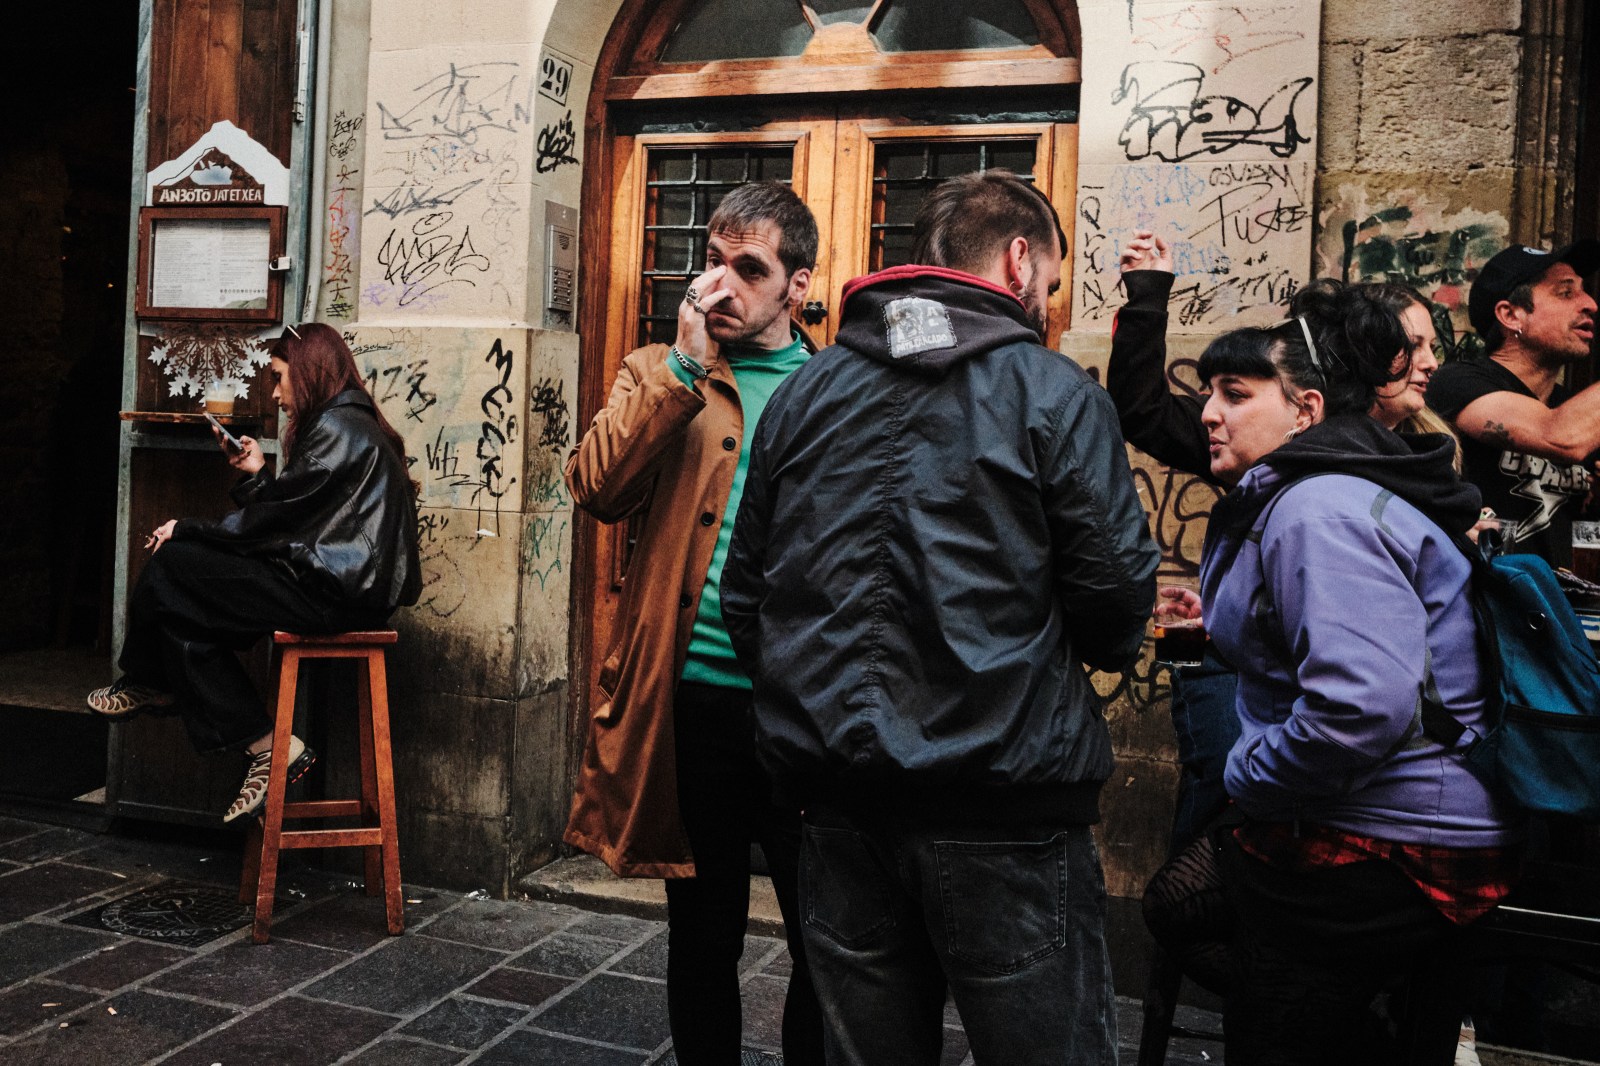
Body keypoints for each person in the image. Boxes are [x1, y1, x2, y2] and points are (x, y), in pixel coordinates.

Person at [721, 170, 1159, 1065]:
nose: (1046, 300)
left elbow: (746, 596)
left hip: (839, 792)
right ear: (1018, 258)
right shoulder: (1055, 392)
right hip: (1004, 803)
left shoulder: (807, 392)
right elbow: (1116, 606)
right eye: (1050, 282)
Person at [1159, 286, 1521, 1065]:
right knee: (1179, 903)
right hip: (1383, 811)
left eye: (1235, 394)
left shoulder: (1317, 507)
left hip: (1401, 838)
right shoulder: (1318, 493)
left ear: (1307, 410)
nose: (1209, 415)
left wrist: (1247, 772)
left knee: (1268, 1018)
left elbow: (1362, 708)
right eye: (1209, 395)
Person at [562, 181, 823, 1066]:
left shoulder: (835, 388)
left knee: (825, 943)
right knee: (704, 936)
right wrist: (679, 366)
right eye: (713, 262)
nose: (722, 285)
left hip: (805, 710)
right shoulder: (658, 370)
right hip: (696, 701)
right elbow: (596, 489)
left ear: (798, 284)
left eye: (749, 268)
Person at [87, 323, 421, 823]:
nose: (275, 393)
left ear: (307, 375)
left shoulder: (338, 430)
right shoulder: (347, 424)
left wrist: (188, 529)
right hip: (330, 586)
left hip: (332, 595)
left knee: (172, 563)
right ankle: (269, 746)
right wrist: (258, 476)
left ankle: (149, 680)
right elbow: (293, 517)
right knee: (182, 617)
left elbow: (274, 526)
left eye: (279, 377)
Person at [1426, 240, 1600, 567]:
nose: (1590, 303)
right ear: (1511, 315)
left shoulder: (1577, 410)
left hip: (1565, 612)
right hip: (1484, 609)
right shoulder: (1457, 383)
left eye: (1584, 291)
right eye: (1566, 293)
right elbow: (1560, 435)